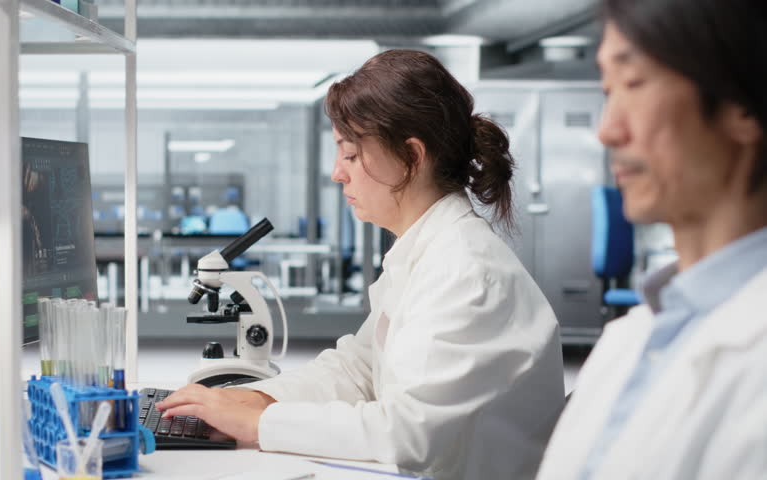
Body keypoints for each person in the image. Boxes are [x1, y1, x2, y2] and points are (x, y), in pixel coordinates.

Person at [157, 49, 565, 480]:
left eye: (350, 154)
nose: (337, 173)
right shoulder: (426, 250)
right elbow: (361, 369)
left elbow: (406, 434)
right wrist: (258, 400)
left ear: (411, 157)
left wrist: (261, 424)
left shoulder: (465, 272)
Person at [536, 1, 767, 478]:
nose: (606, 130)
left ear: (742, 104)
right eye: (606, 89)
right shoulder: (632, 336)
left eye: (634, 83)